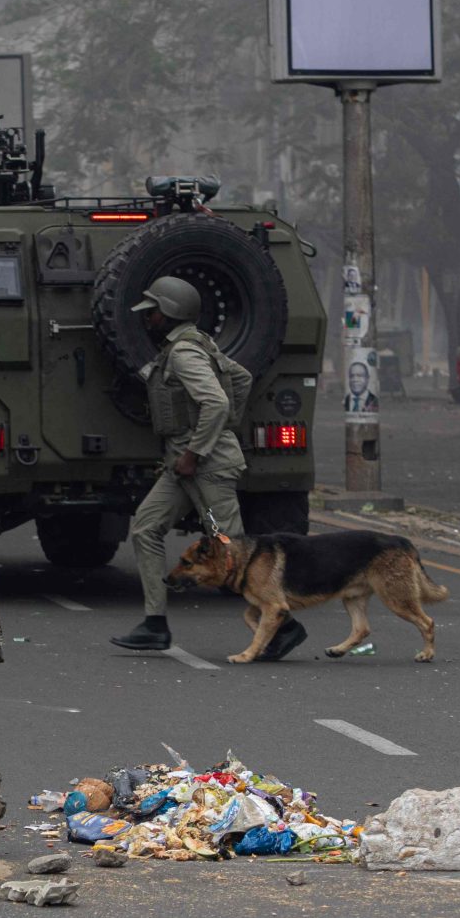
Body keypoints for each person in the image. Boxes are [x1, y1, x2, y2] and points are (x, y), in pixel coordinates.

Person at [110, 276, 262, 655]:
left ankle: (282, 625)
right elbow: (240, 378)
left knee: (229, 549)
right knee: (146, 528)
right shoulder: (194, 344)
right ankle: (154, 624)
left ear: (171, 313)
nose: (149, 319)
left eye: (155, 311)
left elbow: (217, 402)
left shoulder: (184, 353)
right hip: (183, 465)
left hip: (204, 466)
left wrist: (199, 449)